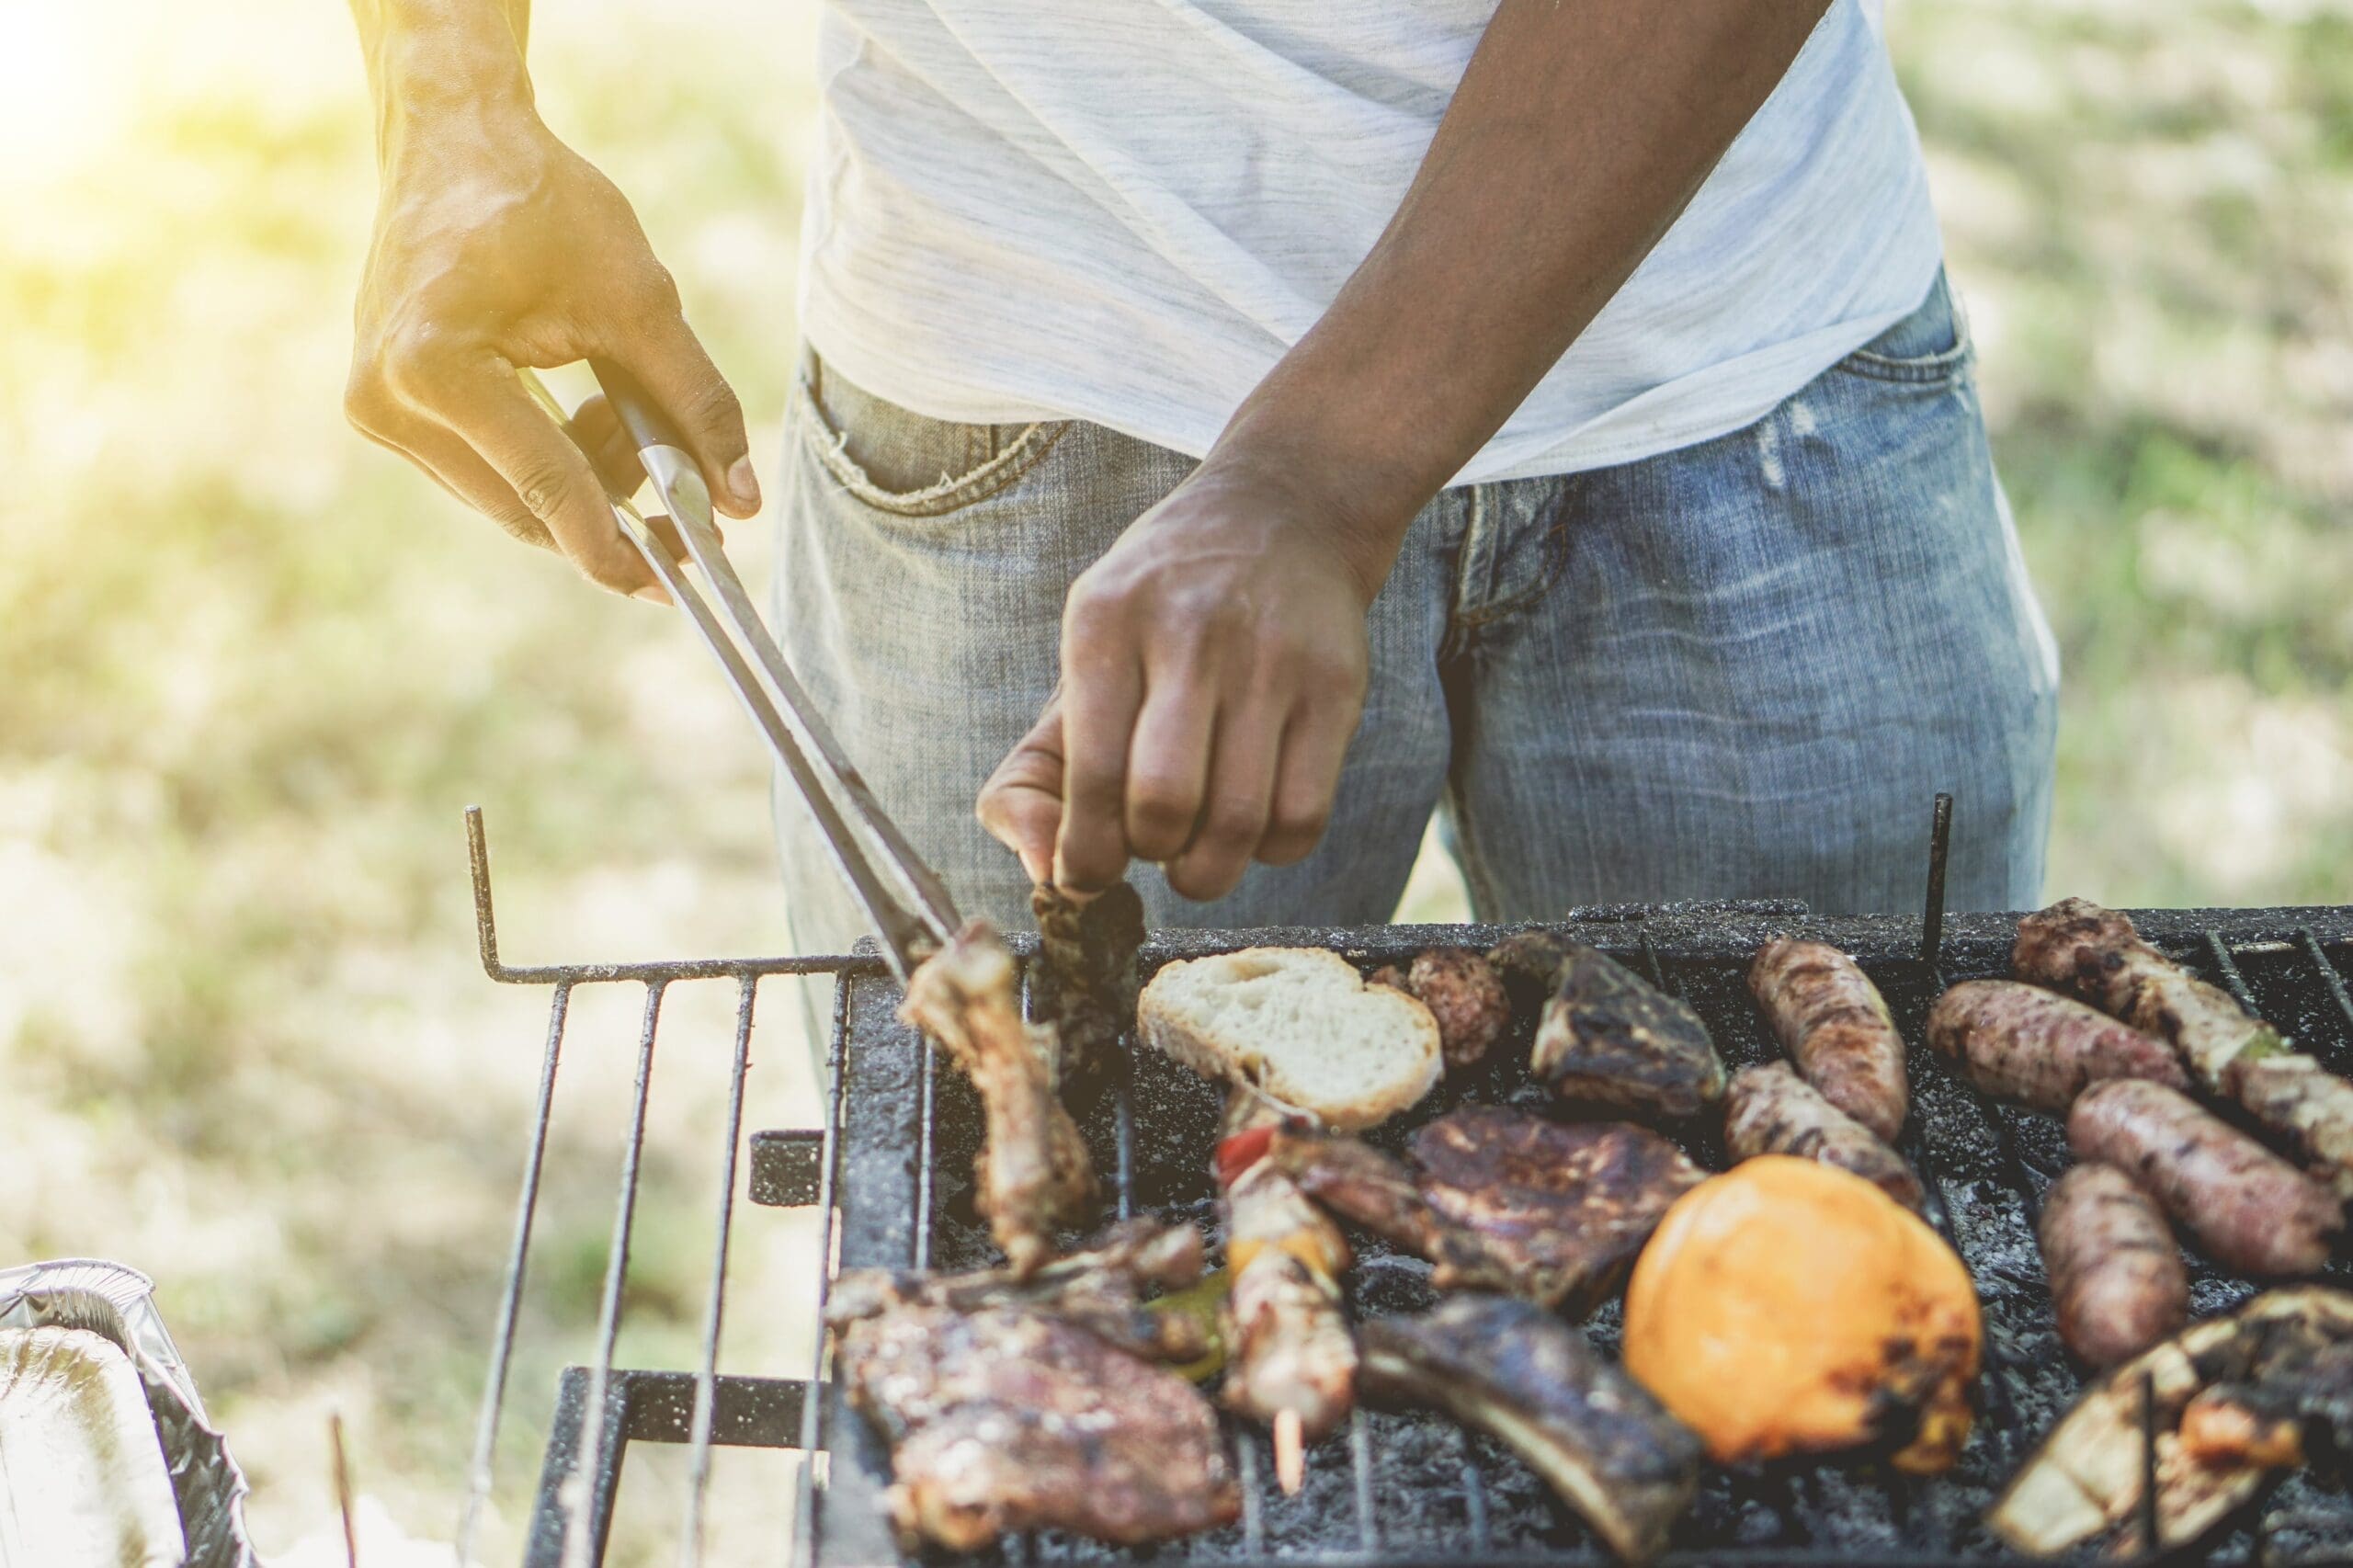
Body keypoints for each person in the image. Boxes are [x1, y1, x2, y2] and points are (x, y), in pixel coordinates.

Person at [344, 0, 2059, 956]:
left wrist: (1318, 475)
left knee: (1855, 1287)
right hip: (1035, 381)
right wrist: (452, 101)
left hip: (1745, 361)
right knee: (1023, 1319)